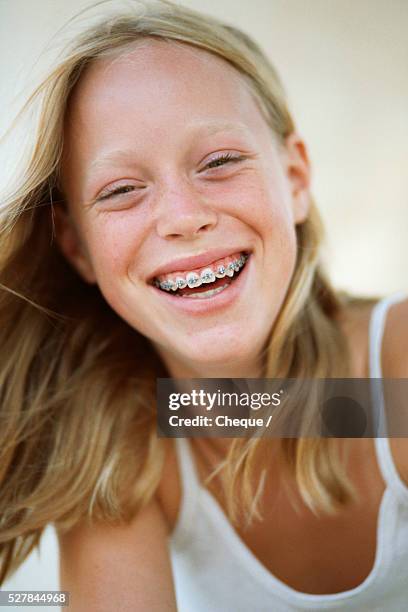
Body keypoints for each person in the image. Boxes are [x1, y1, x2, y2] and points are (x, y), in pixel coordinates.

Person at [0, 1, 407, 610]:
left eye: (219, 162)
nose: (185, 218)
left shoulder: (394, 366)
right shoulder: (120, 437)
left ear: (295, 177)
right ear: (77, 248)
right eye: (121, 190)